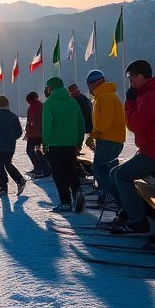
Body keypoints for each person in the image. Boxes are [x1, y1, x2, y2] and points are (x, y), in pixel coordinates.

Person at [107, 60, 155, 234]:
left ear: (139, 76)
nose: (129, 80)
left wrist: (130, 104)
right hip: (154, 150)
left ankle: (138, 220)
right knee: (114, 172)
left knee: (122, 175)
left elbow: (135, 125)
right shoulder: (148, 94)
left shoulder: (151, 96)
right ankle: (129, 211)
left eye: (130, 76)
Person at [42, 76, 87, 212]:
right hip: (71, 144)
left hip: (55, 144)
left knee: (58, 174)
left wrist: (45, 143)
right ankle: (77, 190)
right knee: (70, 169)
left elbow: (47, 126)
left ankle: (66, 202)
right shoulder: (73, 102)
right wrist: (79, 141)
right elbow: (81, 124)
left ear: (51, 88)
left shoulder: (49, 103)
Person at [85, 69, 127, 207]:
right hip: (113, 138)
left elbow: (105, 121)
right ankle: (109, 194)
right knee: (109, 169)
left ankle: (115, 196)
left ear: (95, 83)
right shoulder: (106, 95)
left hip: (109, 140)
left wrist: (93, 135)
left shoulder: (104, 96)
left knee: (99, 168)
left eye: (89, 84)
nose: (89, 88)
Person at [0, 95, 27, 196]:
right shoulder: (13, 116)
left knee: (0, 166)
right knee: (7, 163)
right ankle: (19, 180)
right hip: (10, 146)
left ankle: (4, 188)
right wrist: (11, 139)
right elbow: (19, 132)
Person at [24, 91, 49, 178]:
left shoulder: (33, 106)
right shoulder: (41, 105)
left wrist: (28, 132)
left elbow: (31, 121)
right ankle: (44, 169)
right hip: (40, 134)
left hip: (34, 134)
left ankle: (39, 169)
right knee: (38, 151)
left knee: (31, 151)